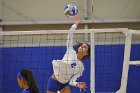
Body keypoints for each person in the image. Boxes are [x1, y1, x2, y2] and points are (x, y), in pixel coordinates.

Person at [47, 16, 90, 93]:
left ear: (86, 53)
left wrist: (77, 84)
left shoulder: (81, 68)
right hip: (54, 81)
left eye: (84, 47)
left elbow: (71, 81)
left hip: (64, 84)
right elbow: (70, 36)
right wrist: (74, 25)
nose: (81, 47)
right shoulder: (70, 50)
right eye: (81, 45)